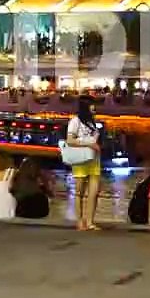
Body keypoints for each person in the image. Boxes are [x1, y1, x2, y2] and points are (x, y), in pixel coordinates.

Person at [65, 95, 102, 231]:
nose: (95, 107)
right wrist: (89, 144)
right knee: (79, 192)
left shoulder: (92, 122)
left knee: (94, 192)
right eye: (92, 105)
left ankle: (90, 221)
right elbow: (69, 140)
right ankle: (80, 221)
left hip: (94, 158)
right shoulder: (75, 121)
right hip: (80, 158)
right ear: (86, 106)